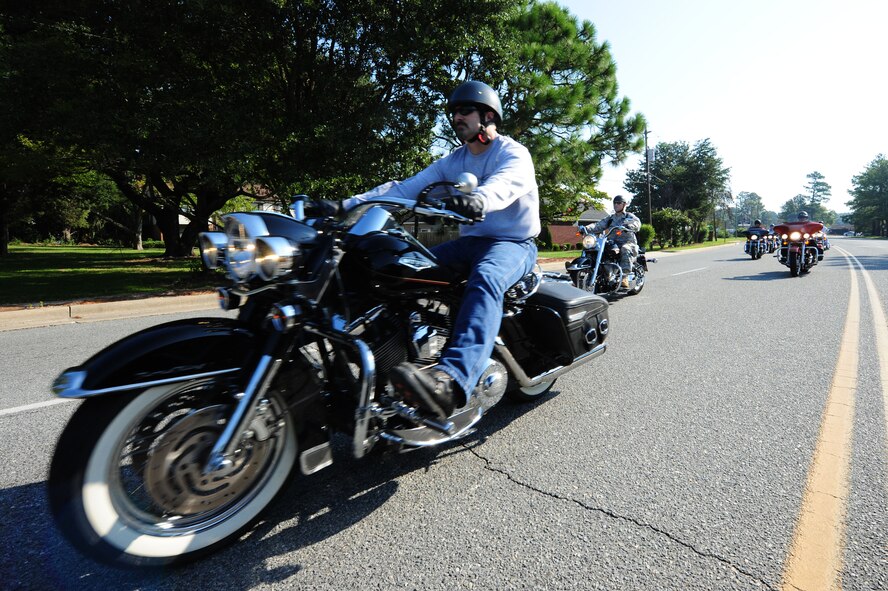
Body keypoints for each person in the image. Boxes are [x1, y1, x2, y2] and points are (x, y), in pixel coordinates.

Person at [342, 80, 540, 420]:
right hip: (469, 244)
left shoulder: (512, 152)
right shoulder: (452, 161)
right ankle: (383, 355)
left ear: (488, 115)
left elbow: (505, 184)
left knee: (487, 277)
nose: (456, 118)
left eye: (464, 110)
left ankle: (452, 380)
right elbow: (403, 189)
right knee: (399, 267)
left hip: (513, 243)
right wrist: (344, 206)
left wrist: (478, 198)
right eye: (453, 113)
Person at [586, 195, 641, 288]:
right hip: (612, 243)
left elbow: (637, 223)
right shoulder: (610, 218)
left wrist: (629, 226)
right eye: (614, 203)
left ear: (624, 204)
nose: (616, 205)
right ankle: (601, 274)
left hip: (628, 242)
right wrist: (586, 228)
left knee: (625, 248)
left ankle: (624, 277)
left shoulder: (629, 216)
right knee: (597, 250)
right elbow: (599, 225)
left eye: (618, 203)